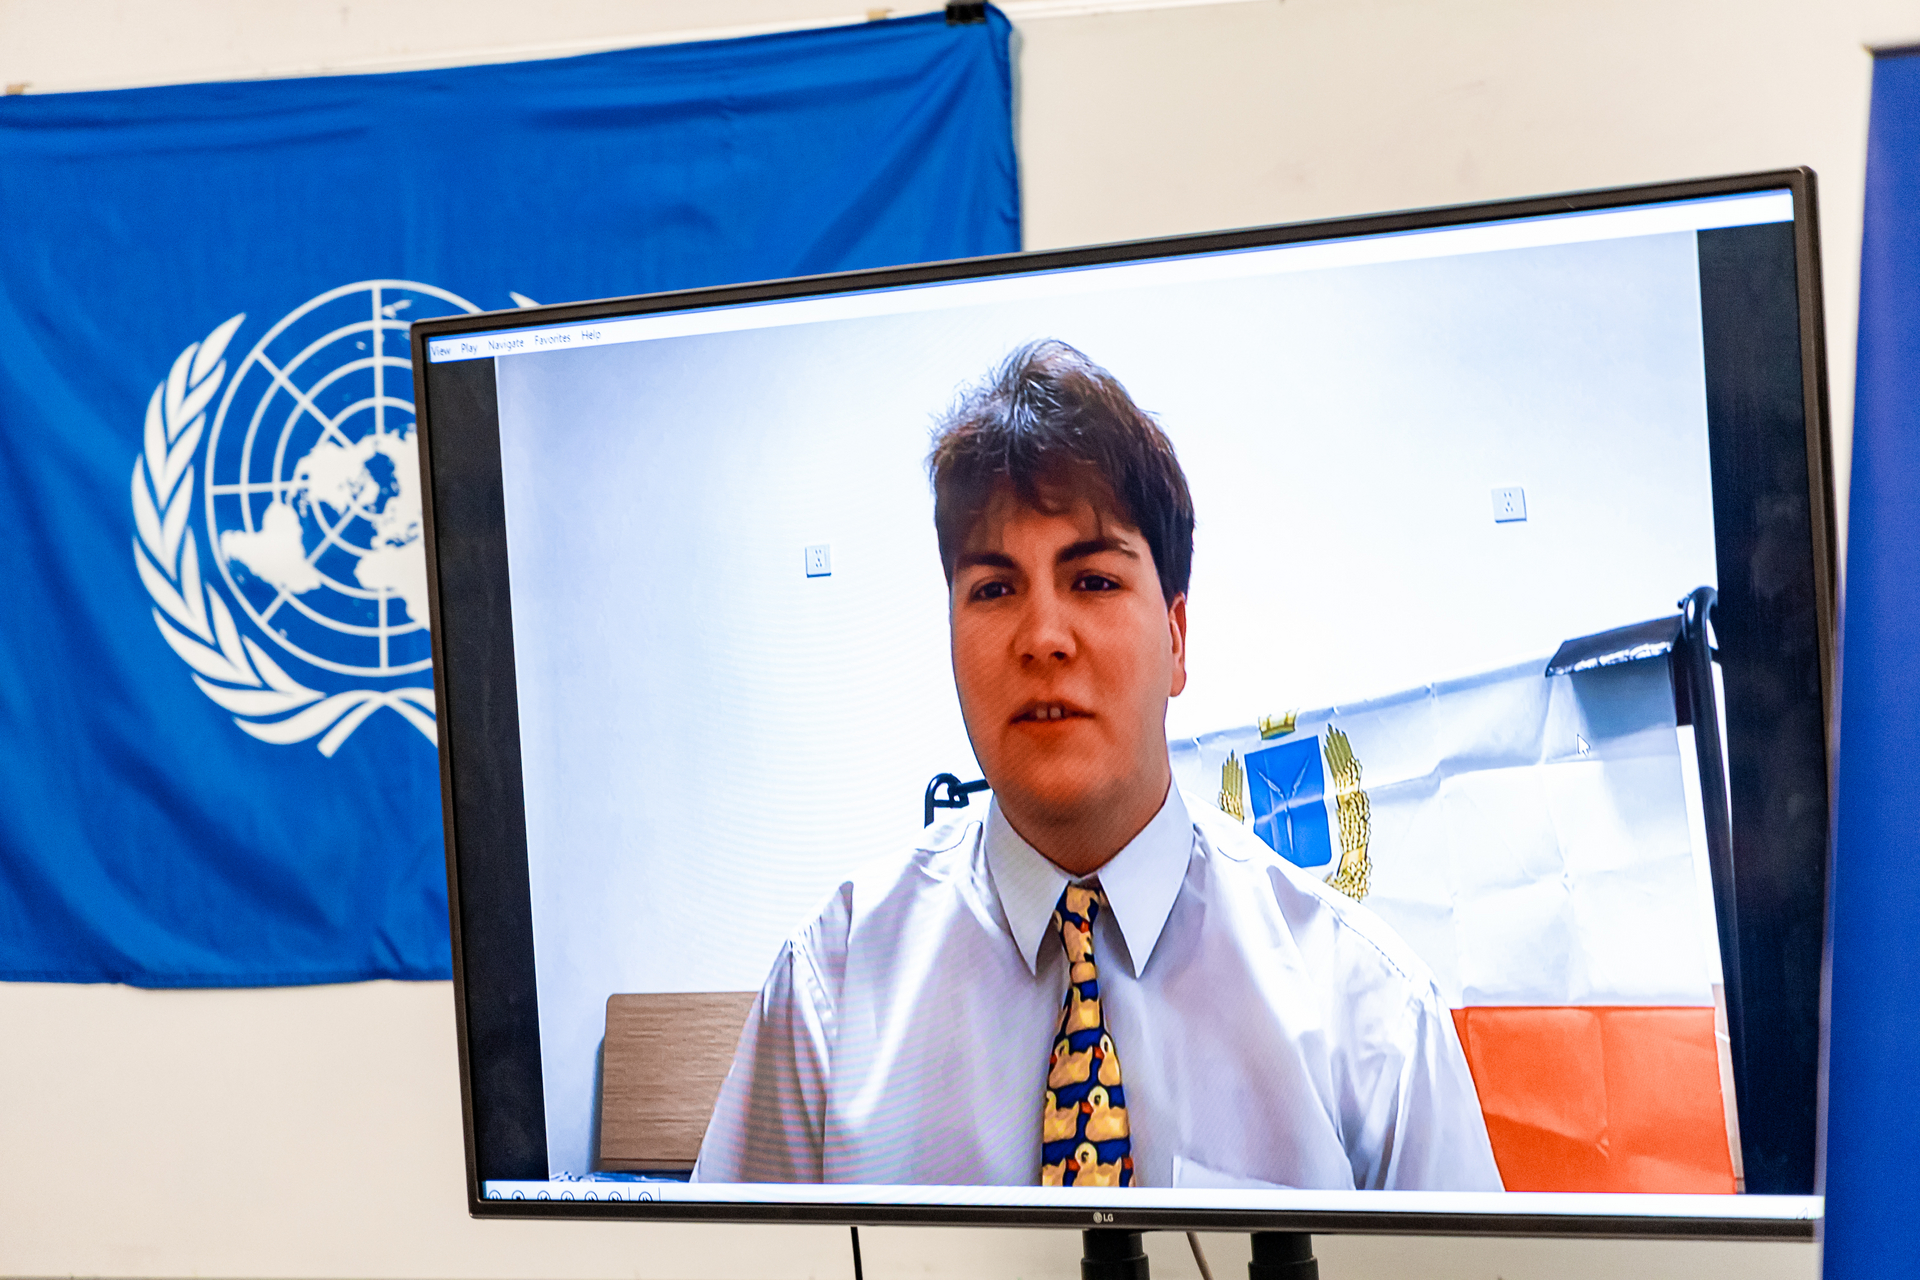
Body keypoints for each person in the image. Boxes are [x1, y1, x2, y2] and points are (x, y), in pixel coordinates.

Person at [692, 341, 1501, 1191]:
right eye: (994, 589)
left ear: (1177, 639)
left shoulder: (1369, 1015)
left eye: (1094, 581)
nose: (1043, 637)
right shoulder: (831, 985)